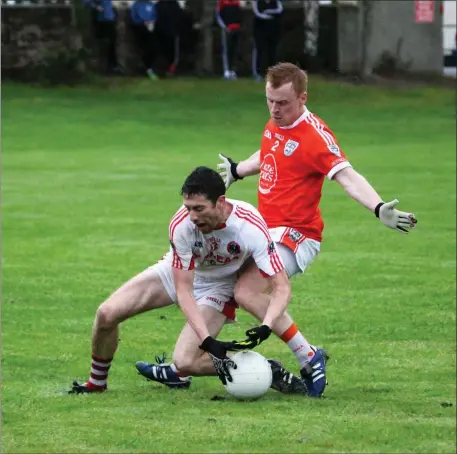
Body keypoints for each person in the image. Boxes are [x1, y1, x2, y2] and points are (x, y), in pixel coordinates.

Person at [215, 62, 418, 397]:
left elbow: (347, 175)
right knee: (215, 277)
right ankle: (186, 362)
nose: (275, 109)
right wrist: (238, 169)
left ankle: (307, 356)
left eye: (283, 103)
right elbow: (268, 153)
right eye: (270, 101)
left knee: (247, 292)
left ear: (303, 97)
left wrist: (378, 207)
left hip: (297, 235)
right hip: (266, 231)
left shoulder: (315, 135)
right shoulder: (275, 122)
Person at [70, 166, 305, 394]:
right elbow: (183, 290)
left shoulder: (249, 225)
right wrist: (206, 340)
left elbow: (282, 287)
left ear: (220, 202)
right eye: (188, 207)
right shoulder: (181, 224)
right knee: (106, 313)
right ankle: (96, 384)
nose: (192, 216)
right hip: (181, 272)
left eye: (199, 209)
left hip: (220, 286)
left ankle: (264, 369)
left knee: (184, 362)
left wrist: (267, 325)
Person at [84, 0, 120, 74]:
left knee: (112, 43)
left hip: (110, 19)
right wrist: (95, 6)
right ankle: (106, 67)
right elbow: (86, 2)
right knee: (104, 44)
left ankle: (113, 66)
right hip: (101, 21)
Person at [251, 0, 283, 81]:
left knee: (272, 53)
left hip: (273, 31)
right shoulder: (257, 2)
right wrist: (267, 16)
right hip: (260, 32)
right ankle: (257, 73)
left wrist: (268, 11)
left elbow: (280, 10)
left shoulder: (276, 2)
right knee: (259, 51)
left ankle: (273, 74)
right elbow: (257, 13)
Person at [129, 0, 158, 81]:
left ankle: (149, 67)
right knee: (144, 49)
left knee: (154, 48)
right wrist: (142, 23)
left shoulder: (150, 4)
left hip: (151, 28)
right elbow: (133, 17)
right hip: (140, 28)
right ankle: (147, 69)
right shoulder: (136, 5)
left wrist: (152, 22)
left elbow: (155, 15)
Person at [154, 0, 182, 77]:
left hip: (164, 32)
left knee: (168, 53)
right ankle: (169, 70)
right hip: (168, 33)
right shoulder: (174, 4)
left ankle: (167, 70)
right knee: (171, 54)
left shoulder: (159, 4)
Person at [216, 0, 242, 80]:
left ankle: (232, 71)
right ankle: (226, 71)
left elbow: (239, 14)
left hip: (236, 28)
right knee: (226, 50)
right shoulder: (222, 2)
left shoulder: (236, 2)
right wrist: (224, 27)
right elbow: (218, 15)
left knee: (234, 50)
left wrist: (239, 25)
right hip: (227, 29)